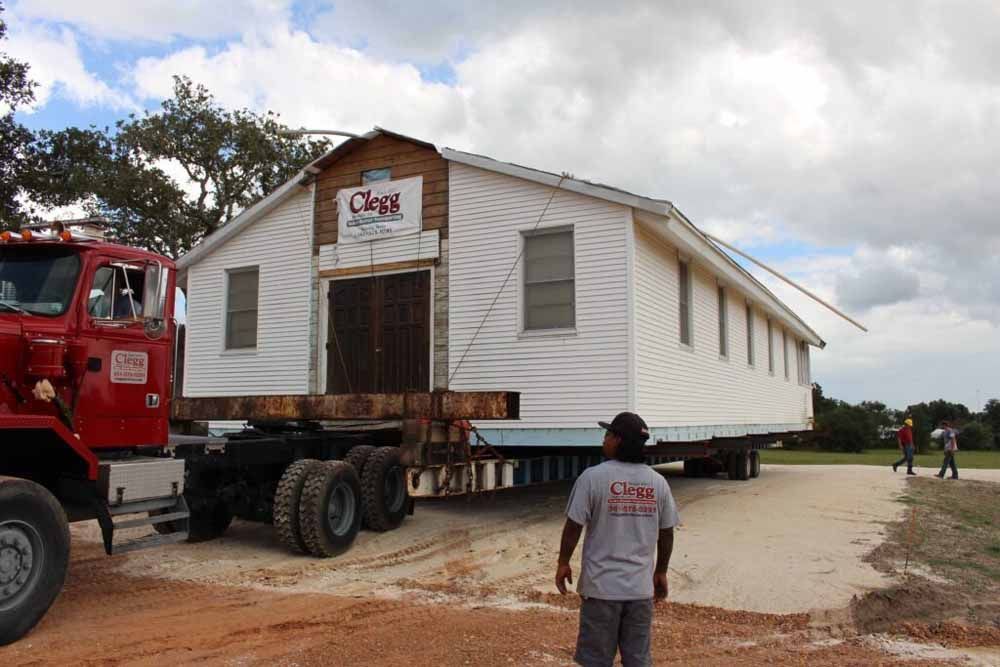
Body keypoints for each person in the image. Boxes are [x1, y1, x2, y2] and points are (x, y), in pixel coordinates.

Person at [555, 411, 679, 667]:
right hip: (640, 592)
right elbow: (666, 532)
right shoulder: (658, 483)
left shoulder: (593, 478)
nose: (604, 439)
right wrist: (661, 571)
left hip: (601, 590)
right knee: (637, 660)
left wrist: (563, 562)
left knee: (595, 660)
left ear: (619, 441)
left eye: (608, 434)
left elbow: (573, 525)